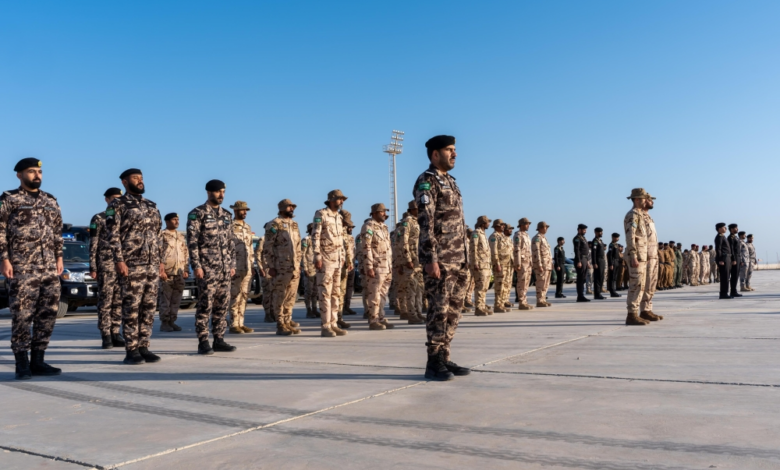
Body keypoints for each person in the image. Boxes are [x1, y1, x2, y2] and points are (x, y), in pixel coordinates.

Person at [414, 134, 470, 381]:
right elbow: (425, 223)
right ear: (435, 154)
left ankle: (445, 357)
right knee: (439, 310)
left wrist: (466, 258)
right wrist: (430, 258)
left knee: (454, 312)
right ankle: (433, 361)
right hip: (441, 260)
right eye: (449, 150)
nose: (455, 153)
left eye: (455, 149)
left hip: (458, 259)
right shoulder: (427, 181)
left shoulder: (452, 182)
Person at [1, 158, 64, 379]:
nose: (36, 175)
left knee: (47, 314)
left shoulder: (50, 199)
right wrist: (4, 259)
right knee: (22, 315)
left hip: (48, 267)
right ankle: (22, 364)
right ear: (19, 175)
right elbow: (0, 230)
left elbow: (57, 231)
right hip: (22, 267)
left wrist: (59, 256)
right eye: (31, 171)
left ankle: (38, 360)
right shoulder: (9, 199)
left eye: (39, 171)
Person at [106, 168, 164, 365]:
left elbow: (158, 236)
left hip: (152, 265)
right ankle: (131, 350)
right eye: (135, 178)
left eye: (141, 178)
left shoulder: (151, 205)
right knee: (131, 307)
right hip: (132, 264)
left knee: (148, 307)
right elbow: (112, 235)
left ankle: (144, 346)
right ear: (124, 182)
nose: (139, 181)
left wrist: (160, 263)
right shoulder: (118, 205)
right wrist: (119, 261)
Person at [187, 179, 237, 355]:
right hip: (207, 268)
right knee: (205, 305)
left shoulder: (227, 215)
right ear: (209, 192)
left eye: (223, 191)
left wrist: (232, 264)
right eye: (218, 192)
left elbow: (231, 242)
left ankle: (219, 339)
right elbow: (192, 243)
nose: (221, 195)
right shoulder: (197, 213)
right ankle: (202, 341)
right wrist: (197, 266)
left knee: (222, 305)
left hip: (224, 269)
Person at [89, 187, 125, 348]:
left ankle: (116, 332)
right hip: (105, 265)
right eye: (114, 199)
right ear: (107, 200)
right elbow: (93, 244)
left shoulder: (124, 218)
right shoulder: (99, 218)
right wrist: (93, 266)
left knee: (119, 301)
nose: (117, 202)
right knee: (106, 301)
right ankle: (106, 334)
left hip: (122, 265)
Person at [263, 199, 303, 336]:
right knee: (279, 296)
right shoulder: (274, 224)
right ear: (281, 208)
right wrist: (271, 266)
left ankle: (287, 322)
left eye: (292, 207)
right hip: (280, 267)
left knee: (291, 297)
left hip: (294, 268)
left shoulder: (294, 224)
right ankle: (280, 324)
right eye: (288, 207)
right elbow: (267, 247)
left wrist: (299, 264)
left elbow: (298, 247)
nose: (291, 209)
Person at [312, 190, 349, 337]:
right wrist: (317, 256)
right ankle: (325, 326)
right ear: (332, 200)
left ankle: (334, 323)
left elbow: (342, 239)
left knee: (335, 293)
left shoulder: (339, 217)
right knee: (325, 293)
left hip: (338, 260)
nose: (342, 202)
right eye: (340, 199)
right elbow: (316, 236)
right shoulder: (321, 214)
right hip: (326, 259)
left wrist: (344, 256)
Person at [360, 203, 395, 330]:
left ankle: (381, 317)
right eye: (382, 212)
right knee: (374, 294)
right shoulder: (368, 227)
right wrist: (369, 266)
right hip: (376, 266)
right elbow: (366, 247)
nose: (385, 214)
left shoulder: (384, 227)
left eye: (385, 212)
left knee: (383, 294)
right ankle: (373, 320)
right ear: (375, 213)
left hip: (387, 266)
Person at [623, 188, 654, 325]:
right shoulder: (632, 215)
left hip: (643, 256)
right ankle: (632, 314)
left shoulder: (640, 215)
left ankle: (641, 311)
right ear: (636, 199)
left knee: (642, 284)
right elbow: (630, 237)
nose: (645, 200)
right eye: (643, 198)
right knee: (636, 285)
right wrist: (633, 255)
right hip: (637, 256)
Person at [393, 201, 425, 324]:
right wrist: (407, 259)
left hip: (419, 261)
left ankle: (418, 312)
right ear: (412, 210)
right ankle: (411, 314)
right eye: (418, 208)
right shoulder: (407, 222)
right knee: (411, 289)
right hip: (411, 261)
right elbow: (403, 242)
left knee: (419, 289)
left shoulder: (419, 222)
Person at [159, 213, 189, 332]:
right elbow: (158, 253)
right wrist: (161, 270)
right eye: (174, 219)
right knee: (165, 299)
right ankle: (165, 322)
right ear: (167, 221)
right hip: (167, 272)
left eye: (178, 219)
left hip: (179, 272)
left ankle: (172, 321)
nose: (177, 221)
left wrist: (186, 269)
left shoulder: (180, 236)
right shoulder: (162, 235)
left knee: (176, 299)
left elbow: (185, 253)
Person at [228, 201, 254, 334]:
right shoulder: (229, 226)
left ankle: (241, 323)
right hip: (235, 266)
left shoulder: (247, 227)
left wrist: (252, 264)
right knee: (234, 295)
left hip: (247, 266)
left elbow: (249, 247)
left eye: (246, 210)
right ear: (235, 211)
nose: (244, 212)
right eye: (242, 210)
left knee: (244, 295)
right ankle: (233, 324)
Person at [470, 215, 492, 316]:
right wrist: (475, 262)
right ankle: (478, 308)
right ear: (483, 223)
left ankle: (482, 306)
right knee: (480, 286)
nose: (489, 224)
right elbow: (473, 248)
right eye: (487, 222)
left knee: (485, 287)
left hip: (486, 264)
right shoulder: (476, 233)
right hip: (479, 264)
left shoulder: (483, 234)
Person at [512, 217, 535, 310]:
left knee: (526, 283)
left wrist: (531, 262)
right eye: (526, 224)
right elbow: (517, 249)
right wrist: (517, 263)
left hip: (528, 262)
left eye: (528, 224)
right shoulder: (518, 235)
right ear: (521, 225)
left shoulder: (527, 235)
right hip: (522, 262)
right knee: (521, 282)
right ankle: (521, 301)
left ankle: (524, 301)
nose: (528, 225)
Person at [340, 210, 358, 318]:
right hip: (342, 265)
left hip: (351, 265)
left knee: (349, 288)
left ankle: (347, 306)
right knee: (341, 288)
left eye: (351, 227)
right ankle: (341, 309)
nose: (350, 229)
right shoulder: (340, 234)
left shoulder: (351, 238)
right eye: (349, 227)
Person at [531, 221, 553, 307]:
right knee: (541, 282)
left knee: (546, 283)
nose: (546, 229)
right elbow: (536, 252)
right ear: (540, 228)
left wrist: (551, 262)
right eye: (544, 227)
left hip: (547, 264)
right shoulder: (537, 238)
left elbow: (548, 252)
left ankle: (543, 299)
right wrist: (539, 264)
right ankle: (539, 300)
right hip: (542, 265)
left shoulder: (544, 238)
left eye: (546, 227)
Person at [489, 219, 507, 312]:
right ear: (496, 226)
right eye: (501, 225)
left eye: (504, 225)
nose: (503, 226)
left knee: (504, 286)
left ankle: (501, 304)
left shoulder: (502, 236)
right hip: (500, 264)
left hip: (506, 264)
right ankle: (497, 305)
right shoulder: (494, 236)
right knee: (499, 285)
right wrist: (497, 263)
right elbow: (494, 251)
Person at [301, 223, 319, 318]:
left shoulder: (317, 240)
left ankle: (315, 309)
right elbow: (302, 254)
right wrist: (305, 268)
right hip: (309, 268)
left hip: (317, 269)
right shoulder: (306, 240)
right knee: (308, 291)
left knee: (315, 291)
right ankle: (309, 310)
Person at [573, 224, 590, 302]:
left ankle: (582, 295)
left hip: (585, 259)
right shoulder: (577, 238)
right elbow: (577, 250)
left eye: (585, 230)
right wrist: (579, 261)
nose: (585, 231)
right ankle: (580, 296)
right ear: (579, 229)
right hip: (581, 259)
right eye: (584, 230)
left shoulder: (583, 238)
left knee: (583, 278)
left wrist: (587, 262)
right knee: (580, 278)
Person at [714, 223, 732, 299]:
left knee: (727, 276)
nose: (725, 229)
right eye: (724, 227)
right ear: (719, 228)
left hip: (727, 258)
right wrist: (721, 259)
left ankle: (725, 292)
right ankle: (723, 293)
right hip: (723, 258)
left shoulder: (723, 237)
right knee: (724, 277)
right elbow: (718, 249)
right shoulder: (719, 237)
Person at [501, 223, 515, 309]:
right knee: (503, 283)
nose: (511, 230)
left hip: (510, 263)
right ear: (505, 230)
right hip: (503, 264)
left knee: (508, 283)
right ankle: (501, 301)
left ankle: (506, 300)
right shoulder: (501, 238)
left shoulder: (509, 239)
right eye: (510, 229)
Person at [591, 228, 606, 299]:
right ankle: (597, 294)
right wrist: (594, 263)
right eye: (600, 232)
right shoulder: (595, 241)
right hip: (598, 260)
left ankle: (599, 292)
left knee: (601, 277)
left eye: (601, 232)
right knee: (597, 277)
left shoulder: (600, 241)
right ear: (596, 232)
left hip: (602, 260)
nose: (601, 233)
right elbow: (593, 253)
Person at [727, 224, 742, 298]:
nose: (737, 229)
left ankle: (734, 290)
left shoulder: (735, 237)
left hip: (738, 258)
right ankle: (733, 291)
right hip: (735, 258)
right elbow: (731, 250)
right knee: (734, 275)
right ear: (731, 229)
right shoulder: (730, 238)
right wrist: (733, 259)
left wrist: (740, 260)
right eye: (736, 228)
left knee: (736, 275)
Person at [607, 233, 621, 297]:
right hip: (613, 262)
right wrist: (611, 264)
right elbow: (610, 255)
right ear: (613, 237)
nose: (618, 239)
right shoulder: (611, 245)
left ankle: (614, 291)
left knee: (615, 277)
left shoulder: (616, 245)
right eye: (617, 237)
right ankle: (612, 292)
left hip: (616, 262)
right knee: (612, 278)